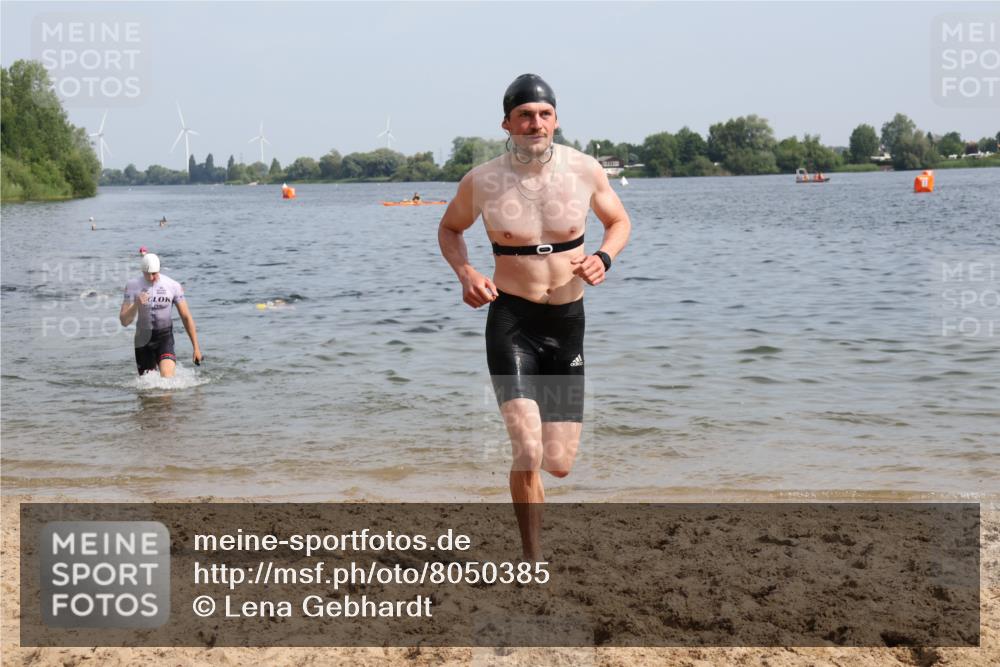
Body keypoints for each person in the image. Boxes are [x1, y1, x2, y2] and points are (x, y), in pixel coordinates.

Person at [438, 73, 631, 560]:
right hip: (512, 323)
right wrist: (465, 273)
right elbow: (449, 228)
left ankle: (536, 505)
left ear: (556, 120)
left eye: (544, 114)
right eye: (524, 115)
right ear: (507, 123)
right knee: (527, 449)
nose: (535, 123)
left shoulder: (584, 170)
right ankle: (532, 558)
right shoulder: (481, 181)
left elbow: (619, 221)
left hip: (567, 325)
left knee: (559, 463)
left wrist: (603, 257)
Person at [119, 253, 203, 377]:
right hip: (143, 339)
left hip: (164, 337)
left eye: (155, 273)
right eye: (149, 274)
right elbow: (124, 321)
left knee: (167, 378)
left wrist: (196, 348)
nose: (153, 277)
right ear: (142, 271)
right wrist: (137, 304)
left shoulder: (173, 286)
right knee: (148, 387)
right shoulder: (132, 286)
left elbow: (186, 317)